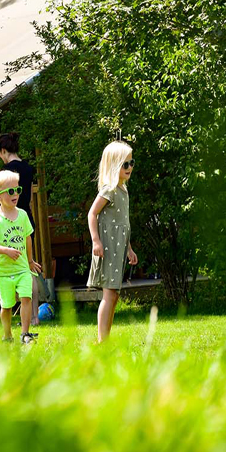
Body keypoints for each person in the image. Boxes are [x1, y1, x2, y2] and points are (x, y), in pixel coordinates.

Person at [87, 141, 138, 343]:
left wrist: (129, 249)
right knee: (109, 295)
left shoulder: (123, 190)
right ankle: (102, 341)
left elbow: (123, 224)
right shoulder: (109, 190)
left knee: (114, 295)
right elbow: (92, 214)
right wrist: (96, 241)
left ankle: (106, 339)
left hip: (119, 248)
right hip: (107, 248)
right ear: (113, 165)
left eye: (131, 163)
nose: (129, 168)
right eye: (125, 164)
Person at [0, 169, 42, 344]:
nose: (15, 194)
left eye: (18, 190)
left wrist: (30, 261)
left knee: (26, 297)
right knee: (7, 306)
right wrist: (5, 250)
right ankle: (7, 334)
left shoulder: (22, 215)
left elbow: (28, 239)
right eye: (10, 191)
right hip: (4, 271)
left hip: (22, 268)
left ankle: (25, 333)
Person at [0, 131, 42, 325]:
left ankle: (17, 311)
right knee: (29, 266)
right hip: (27, 219)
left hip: (11, 221)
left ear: (4, 150)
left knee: (15, 268)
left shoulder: (6, 173)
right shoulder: (28, 168)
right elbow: (28, 197)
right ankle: (34, 316)